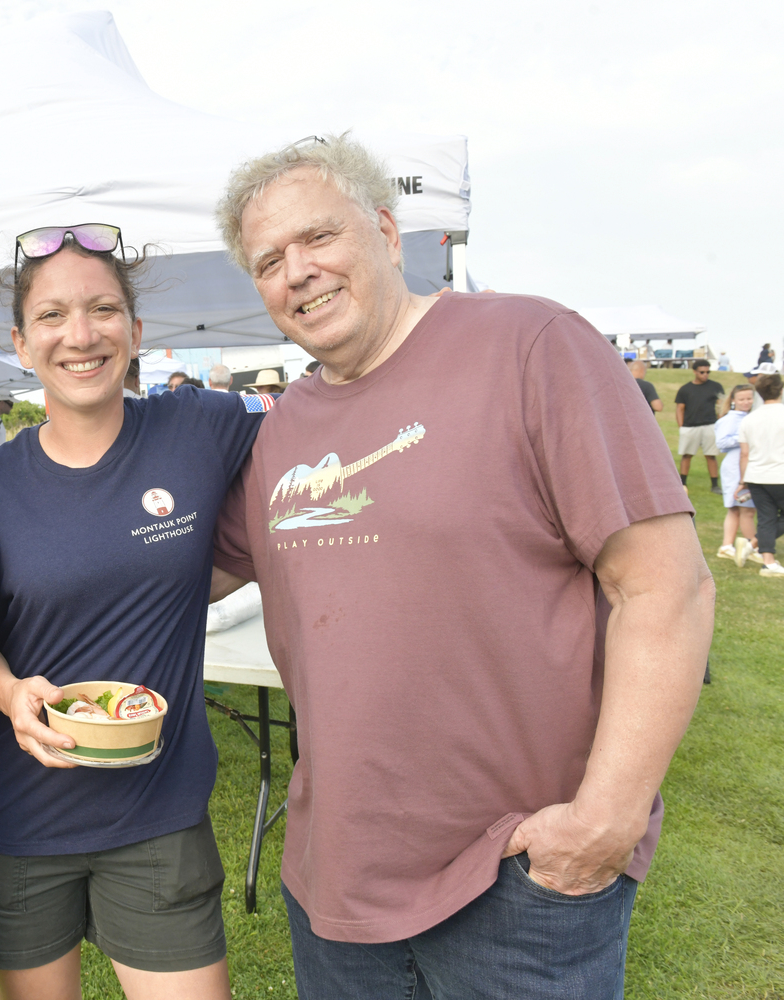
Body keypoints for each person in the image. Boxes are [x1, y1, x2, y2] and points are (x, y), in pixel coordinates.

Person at [209, 133, 711, 998]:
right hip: (337, 888)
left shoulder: (531, 344)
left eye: (319, 237)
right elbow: (181, 578)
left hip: (516, 881)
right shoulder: (281, 430)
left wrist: (606, 821)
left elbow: (664, 586)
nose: (297, 271)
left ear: (387, 231)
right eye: (269, 260)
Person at [0, 223, 263, 1000]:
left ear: (136, 331)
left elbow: (326, 446)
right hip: (17, 813)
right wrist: (7, 694)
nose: (80, 335)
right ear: (21, 345)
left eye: (101, 310)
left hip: (156, 812)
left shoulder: (203, 429)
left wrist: (218, 573)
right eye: (53, 316)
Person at [740, 372, 784, 578]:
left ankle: (766, 559)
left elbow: (745, 453)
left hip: (756, 476)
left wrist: (742, 481)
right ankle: (760, 552)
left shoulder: (749, 419)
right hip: (780, 475)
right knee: (769, 520)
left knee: (767, 518)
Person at [715, 383, 757, 566]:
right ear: (733, 400)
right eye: (742, 399)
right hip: (735, 467)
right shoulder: (731, 419)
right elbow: (722, 442)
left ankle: (726, 545)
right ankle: (753, 547)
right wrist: (745, 437)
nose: (746, 402)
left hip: (744, 465)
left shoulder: (748, 417)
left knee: (735, 508)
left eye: (749, 398)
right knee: (746, 508)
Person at [675, 360, 726, 492]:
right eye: (702, 372)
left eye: (708, 372)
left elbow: (721, 406)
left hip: (710, 425)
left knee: (711, 455)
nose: (705, 375)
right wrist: (682, 427)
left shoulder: (715, 386)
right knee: (686, 455)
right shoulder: (685, 389)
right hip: (690, 426)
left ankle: (715, 485)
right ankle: (682, 484)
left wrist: (719, 422)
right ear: (694, 372)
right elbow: (680, 408)